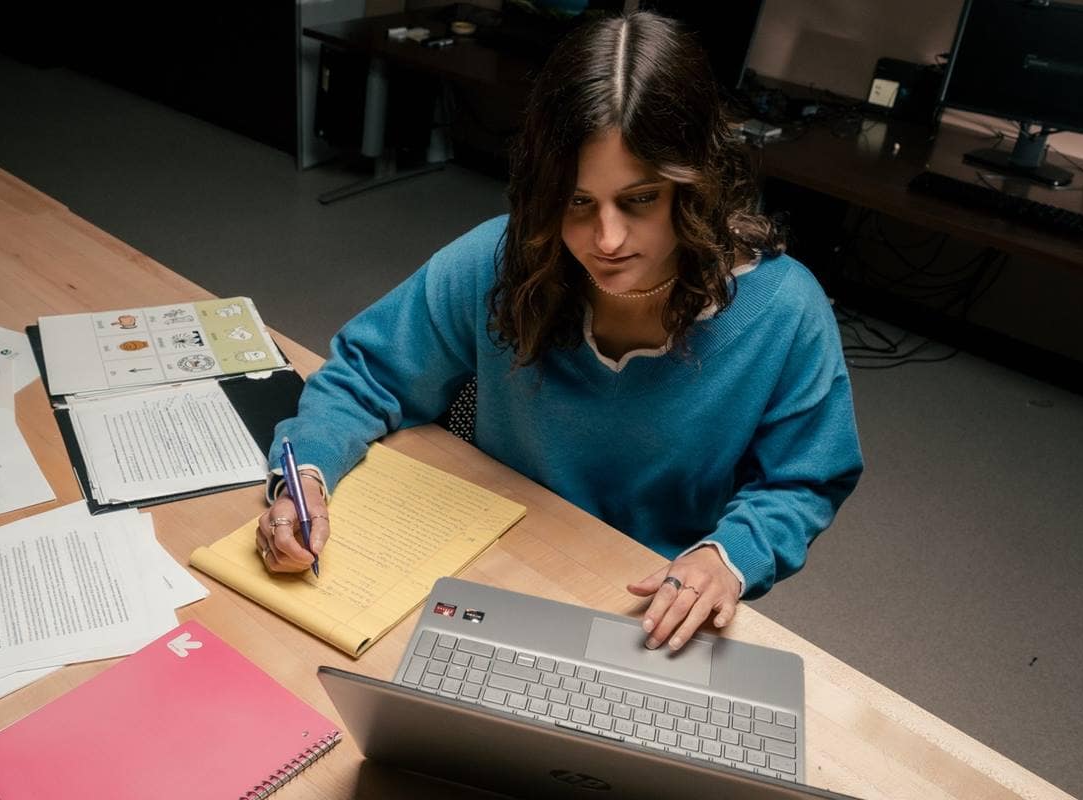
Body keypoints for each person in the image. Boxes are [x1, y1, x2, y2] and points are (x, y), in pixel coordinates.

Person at [256, 11, 863, 652]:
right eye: (578, 202)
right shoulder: (501, 258)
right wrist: (306, 481)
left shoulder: (783, 310)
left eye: (639, 200)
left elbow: (804, 479)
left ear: (696, 186)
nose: (606, 240)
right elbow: (365, 373)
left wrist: (728, 556)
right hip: (490, 572)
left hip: (649, 610)